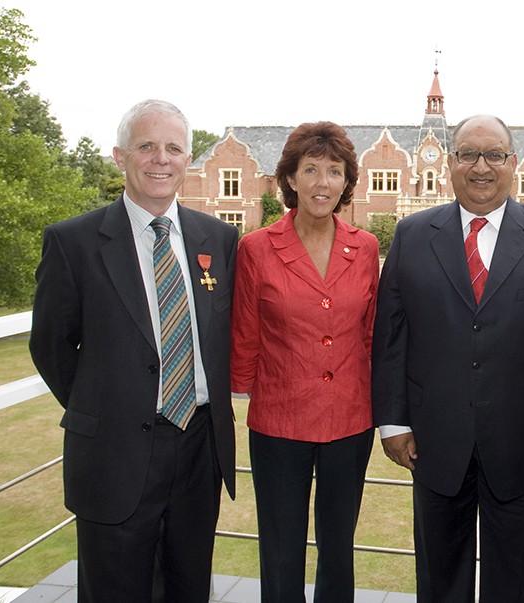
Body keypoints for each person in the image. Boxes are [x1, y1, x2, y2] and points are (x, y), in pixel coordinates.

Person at [29, 99, 238, 602]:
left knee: (189, 588)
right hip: (113, 455)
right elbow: (51, 347)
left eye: (173, 148)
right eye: (147, 146)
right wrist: (106, 408)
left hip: (197, 451)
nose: (160, 159)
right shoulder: (73, 242)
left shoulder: (220, 238)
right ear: (121, 156)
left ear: (188, 160)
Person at [371, 114, 524, 602]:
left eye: (494, 155)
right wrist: (392, 422)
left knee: (514, 579)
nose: (481, 167)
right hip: (432, 439)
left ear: (512, 162)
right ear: (450, 163)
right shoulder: (411, 234)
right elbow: (391, 336)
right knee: (439, 576)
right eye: (468, 154)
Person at [230, 121, 379, 602]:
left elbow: (373, 334)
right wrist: (237, 393)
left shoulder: (366, 247)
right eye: (310, 169)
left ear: (346, 182)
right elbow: (245, 334)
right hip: (278, 423)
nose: (322, 182)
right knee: (280, 547)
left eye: (334, 171)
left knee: (339, 547)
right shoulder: (255, 248)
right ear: (290, 179)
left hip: (350, 420)